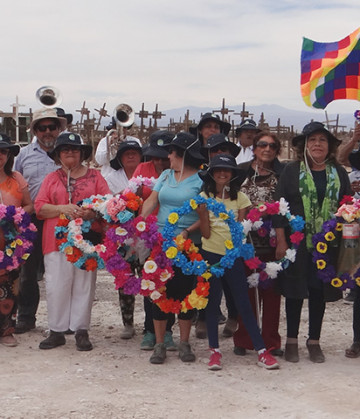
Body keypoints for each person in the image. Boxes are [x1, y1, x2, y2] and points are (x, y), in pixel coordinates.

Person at [274, 122, 351, 363]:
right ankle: (292, 341)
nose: (317, 144)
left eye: (322, 140)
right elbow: (279, 208)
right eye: (312, 140)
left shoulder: (338, 173)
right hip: (297, 242)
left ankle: (314, 341)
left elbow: (347, 206)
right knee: (295, 290)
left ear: (329, 146)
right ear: (304, 146)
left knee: (319, 290)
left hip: (328, 244)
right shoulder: (291, 171)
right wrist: (281, 240)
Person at [197, 154, 279, 371]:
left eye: (227, 170)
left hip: (233, 256)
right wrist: (203, 215)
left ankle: (261, 350)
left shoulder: (241, 198)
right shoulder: (204, 197)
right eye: (218, 170)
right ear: (211, 174)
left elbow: (240, 231)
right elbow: (205, 234)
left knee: (243, 302)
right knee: (213, 303)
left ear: (233, 174)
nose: (222, 173)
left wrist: (232, 252)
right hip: (211, 255)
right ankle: (214, 351)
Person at [35, 133, 110, 350]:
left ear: (81, 153)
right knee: (56, 285)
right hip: (55, 241)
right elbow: (40, 207)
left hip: (86, 241)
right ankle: (57, 330)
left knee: (84, 285)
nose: (70, 152)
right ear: (58, 154)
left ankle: (81, 330)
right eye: (65, 149)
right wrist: (62, 209)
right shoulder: (51, 179)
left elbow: (108, 204)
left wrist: (92, 213)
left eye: (74, 149)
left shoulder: (96, 177)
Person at [140, 132, 204, 364]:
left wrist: (187, 232)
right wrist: (140, 221)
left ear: (183, 155)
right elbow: (152, 200)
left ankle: (184, 342)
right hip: (160, 242)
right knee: (158, 290)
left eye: (172, 152)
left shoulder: (200, 180)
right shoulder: (166, 175)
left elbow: (205, 213)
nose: (168, 156)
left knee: (186, 292)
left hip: (188, 245)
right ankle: (159, 344)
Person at [14, 108, 67, 334]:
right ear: (35, 130)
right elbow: (15, 184)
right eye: (42, 127)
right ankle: (26, 317)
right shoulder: (23, 155)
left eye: (51, 127)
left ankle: (65, 321)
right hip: (32, 219)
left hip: (61, 219)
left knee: (63, 271)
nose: (47, 132)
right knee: (28, 271)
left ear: (59, 129)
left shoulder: (68, 153)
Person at [233, 132, 285, 357]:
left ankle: (271, 341)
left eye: (272, 146)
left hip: (273, 241)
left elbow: (287, 206)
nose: (267, 149)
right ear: (254, 148)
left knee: (272, 294)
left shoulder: (283, 174)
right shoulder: (240, 171)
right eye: (262, 145)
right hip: (245, 240)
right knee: (246, 292)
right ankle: (245, 339)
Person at [131, 130, 177, 351]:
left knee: (170, 283)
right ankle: (149, 329)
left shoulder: (179, 172)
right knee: (149, 282)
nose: (159, 161)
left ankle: (167, 330)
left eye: (163, 156)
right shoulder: (142, 169)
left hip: (172, 233)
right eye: (155, 156)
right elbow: (133, 198)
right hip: (147, 233)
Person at [196, 133, 241, 339]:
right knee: (206, 282)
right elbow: (205, 224)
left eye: (224, 150)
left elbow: (240, 220)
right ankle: (204, 317)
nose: (219, 153)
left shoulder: (238, 194)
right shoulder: (204, 190)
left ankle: (233, 315)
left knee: (232, 285)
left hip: (232, 245)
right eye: (215, 150)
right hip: (209, 243)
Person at [97, 140, 143, 339]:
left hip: (145, 236)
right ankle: (128, 324)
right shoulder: (110, 177)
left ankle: (152, 323)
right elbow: (105, 204)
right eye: (126, 153)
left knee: (151, 278)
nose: (131, 156)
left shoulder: (148, 175)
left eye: (134, 152)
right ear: (120, 158)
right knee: (125, 281)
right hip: (121, 237)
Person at [0, 134, 33, 347]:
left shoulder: (17, 178)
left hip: (11, 241)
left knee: (10, 286)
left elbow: (31, 206)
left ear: (9, 155)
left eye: (2, 152)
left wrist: (15, 214)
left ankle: (7, 330)